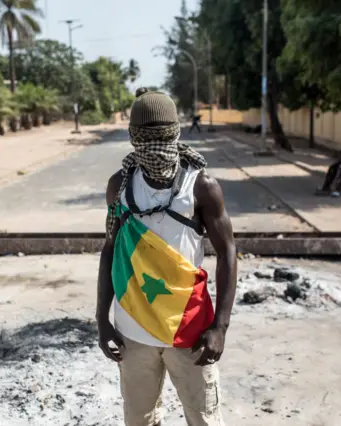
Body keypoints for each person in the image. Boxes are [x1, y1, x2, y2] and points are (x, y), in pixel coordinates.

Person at [96, 88, 237, 426]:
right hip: (134, 330)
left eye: (159, 137)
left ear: (175, 133)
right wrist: (102, 319)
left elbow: (228, 251)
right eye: (146, 138)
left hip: (189, 330)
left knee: (203, 419)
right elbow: (110, 250)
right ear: (133, 138)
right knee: (140, 420)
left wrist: (220, 326)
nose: (153, 147)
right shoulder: (120, 186)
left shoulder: (200, 185)